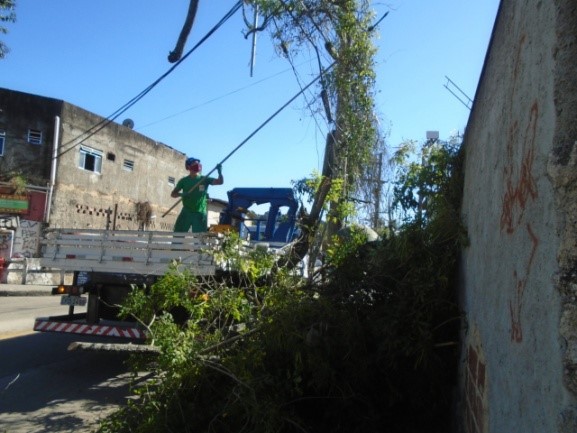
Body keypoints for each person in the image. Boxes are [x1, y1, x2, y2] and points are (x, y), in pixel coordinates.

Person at [171, 157, 223, 232]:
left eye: (198, 163)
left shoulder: (204, 179)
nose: (197, 165)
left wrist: (220, 173)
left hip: (200, 213)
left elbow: (220, 182)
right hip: (186, 212)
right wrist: (182, 194)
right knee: (178, 234)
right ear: (188, 167)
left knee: (200, 239)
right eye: (194, 163)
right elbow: (173, 194)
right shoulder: (184, 181)